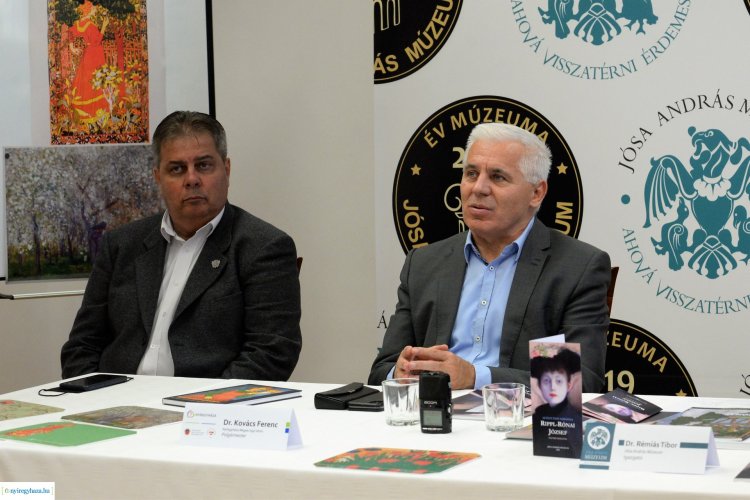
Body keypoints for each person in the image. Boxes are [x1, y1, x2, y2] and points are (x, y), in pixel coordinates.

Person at [369, 122, 610, 391]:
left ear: (536, 193)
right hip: (431, 412)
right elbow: (381, 371)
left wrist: (475, 377)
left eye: (498, 177)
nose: (479, 188)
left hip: (516, 414)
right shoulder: (424, 264)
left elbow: (579, 381)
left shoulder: (575, 268)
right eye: (471, 174)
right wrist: (400, 372)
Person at [61, 111, 302, 380]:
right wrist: (92, 396)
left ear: (227, 169)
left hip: (205, 403)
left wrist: (200, 403)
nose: (191, 179)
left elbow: (271, 354)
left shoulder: (263, 247)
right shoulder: (121, 245)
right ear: (158, 177)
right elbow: (81, 347)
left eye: (204, 165)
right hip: (113, 400)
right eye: (177, 169)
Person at [531, 349, 582, 458]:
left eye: (558, 381)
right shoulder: (538, 415)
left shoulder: (575, 420)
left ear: (568, 386)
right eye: (546, 381)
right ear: (539, 386)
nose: (552, 387)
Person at [67, 0, 110, 121]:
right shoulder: (90, 24)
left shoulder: (79, 23)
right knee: (94, 81)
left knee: (88, 81)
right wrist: (104, 26)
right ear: (89, 9)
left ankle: (88, 112)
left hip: (88, 54)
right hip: (94, 54)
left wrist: (72, 47)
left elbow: (70, 33)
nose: (95, 9)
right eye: (93, 8)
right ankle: (94, 112)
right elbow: (97, 41)